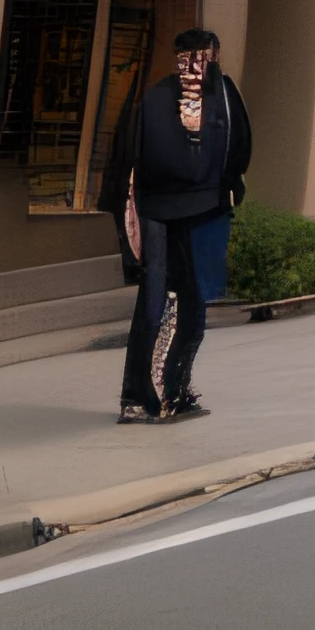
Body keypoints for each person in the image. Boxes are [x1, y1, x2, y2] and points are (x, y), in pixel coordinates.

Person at [104, 29, 252, 424]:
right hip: (183, 214)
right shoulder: (211, 94)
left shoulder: (170, 96)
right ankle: (158, 397)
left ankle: (156, 396)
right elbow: (237, 153)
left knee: (171, 304)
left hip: (172, 211)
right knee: (176, 305)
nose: (196, 66)